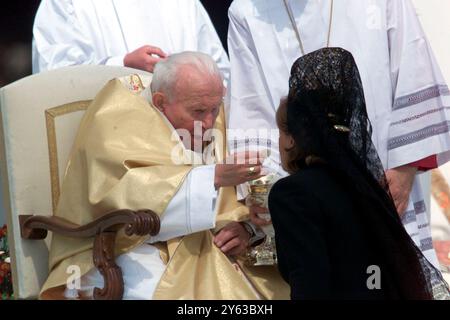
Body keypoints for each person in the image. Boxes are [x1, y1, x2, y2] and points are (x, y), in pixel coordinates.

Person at [39, 52, 288, 300]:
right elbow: (122, 201)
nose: (210, 122)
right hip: (128, 244)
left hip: (216, 245)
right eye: (199, 111)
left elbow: (262, 181)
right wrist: (213, 177)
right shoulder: (118, 115)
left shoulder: (210, 107)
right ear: (160, 102)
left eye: (215, 108)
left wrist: (249, 228)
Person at [227, 0, 450, 268]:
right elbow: (251, 106)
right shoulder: (247, 10)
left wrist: (405, 169)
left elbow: (413, 68)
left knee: (384, 281)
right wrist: (267, 187)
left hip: (383, 184)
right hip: (306, 198)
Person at [268, 47, 450, 300]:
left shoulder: (292, 193)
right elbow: (375, 275)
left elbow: (310, 282)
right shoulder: (368, 188)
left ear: (289, 138)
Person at [32, 0, 230, 81]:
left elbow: (221, 73)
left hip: (187, 146)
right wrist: (122, 65)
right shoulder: (63, 3)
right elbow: (55, 76)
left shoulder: (184, 4)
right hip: (109, 148)